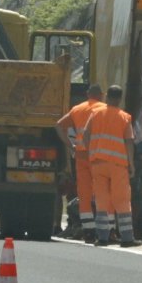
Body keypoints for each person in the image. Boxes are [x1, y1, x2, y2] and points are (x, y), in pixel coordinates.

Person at [83, 84, 142, 248]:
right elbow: (129, 142)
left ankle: (102, 238)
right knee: (122, 199)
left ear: (107, 96)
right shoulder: (124, 117)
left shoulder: (95, 113)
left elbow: (85, 135)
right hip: (117, 164)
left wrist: (92, 152)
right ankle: (127, 238)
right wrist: (131, 164)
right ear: (120, 99)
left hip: (98, 163)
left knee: (101, 200)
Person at [55, 84, 105, 243]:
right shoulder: (105, 109)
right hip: (99, 156)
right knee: (102, 192)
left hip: (81, 155)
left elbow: (58, 126)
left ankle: (88, 231)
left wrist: (70, 145)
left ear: (87, 94)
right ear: (102, 95)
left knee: (84, 194)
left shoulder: (77, 109)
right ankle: (104, 229)